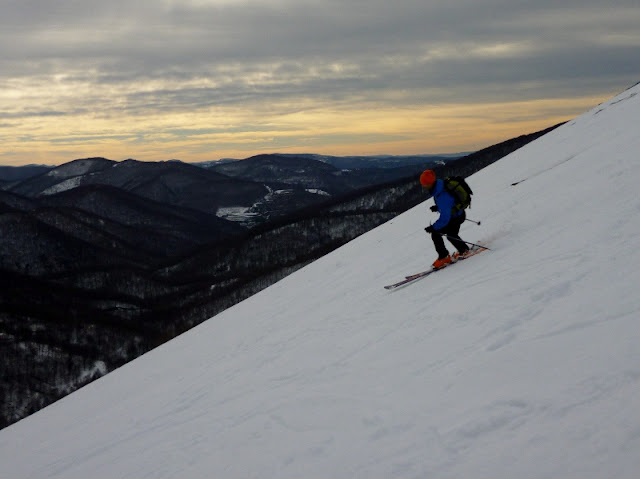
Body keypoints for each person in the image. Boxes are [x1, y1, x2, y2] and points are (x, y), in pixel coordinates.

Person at [420, 169, 470, 268]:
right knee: (451, 234)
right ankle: (463, 250)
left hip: (455, 217)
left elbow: (444, 219)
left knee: (437, 233)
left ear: (430, 183)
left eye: (424, 184)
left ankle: (444, 257)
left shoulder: (442, 195)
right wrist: (438, 207)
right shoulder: (439, 187)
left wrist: (433, 227)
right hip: (457, 214)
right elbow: (449, 204)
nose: (423, 186)